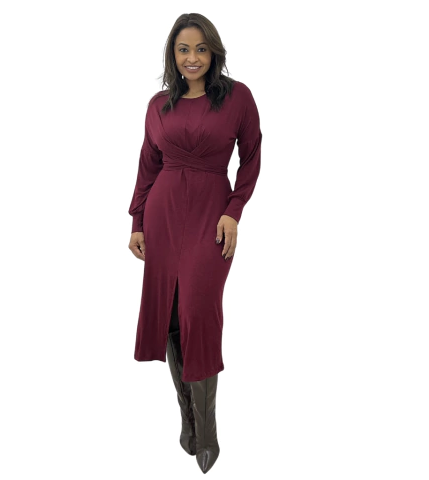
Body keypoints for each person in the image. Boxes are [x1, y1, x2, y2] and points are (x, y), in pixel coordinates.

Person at [127, 13, 262, 474]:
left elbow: (251, 158)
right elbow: (148, 164)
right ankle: (187, 419)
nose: (192, 58)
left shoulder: (238, 98)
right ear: (173, 54)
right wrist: (137, 222)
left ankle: (208, 430)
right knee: (170, 312)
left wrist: (233, 211)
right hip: (162, 215)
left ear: (214, 52)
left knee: (199, 313)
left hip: (211, 216)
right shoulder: (157, 105)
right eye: (183, 49)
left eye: (201, 49)